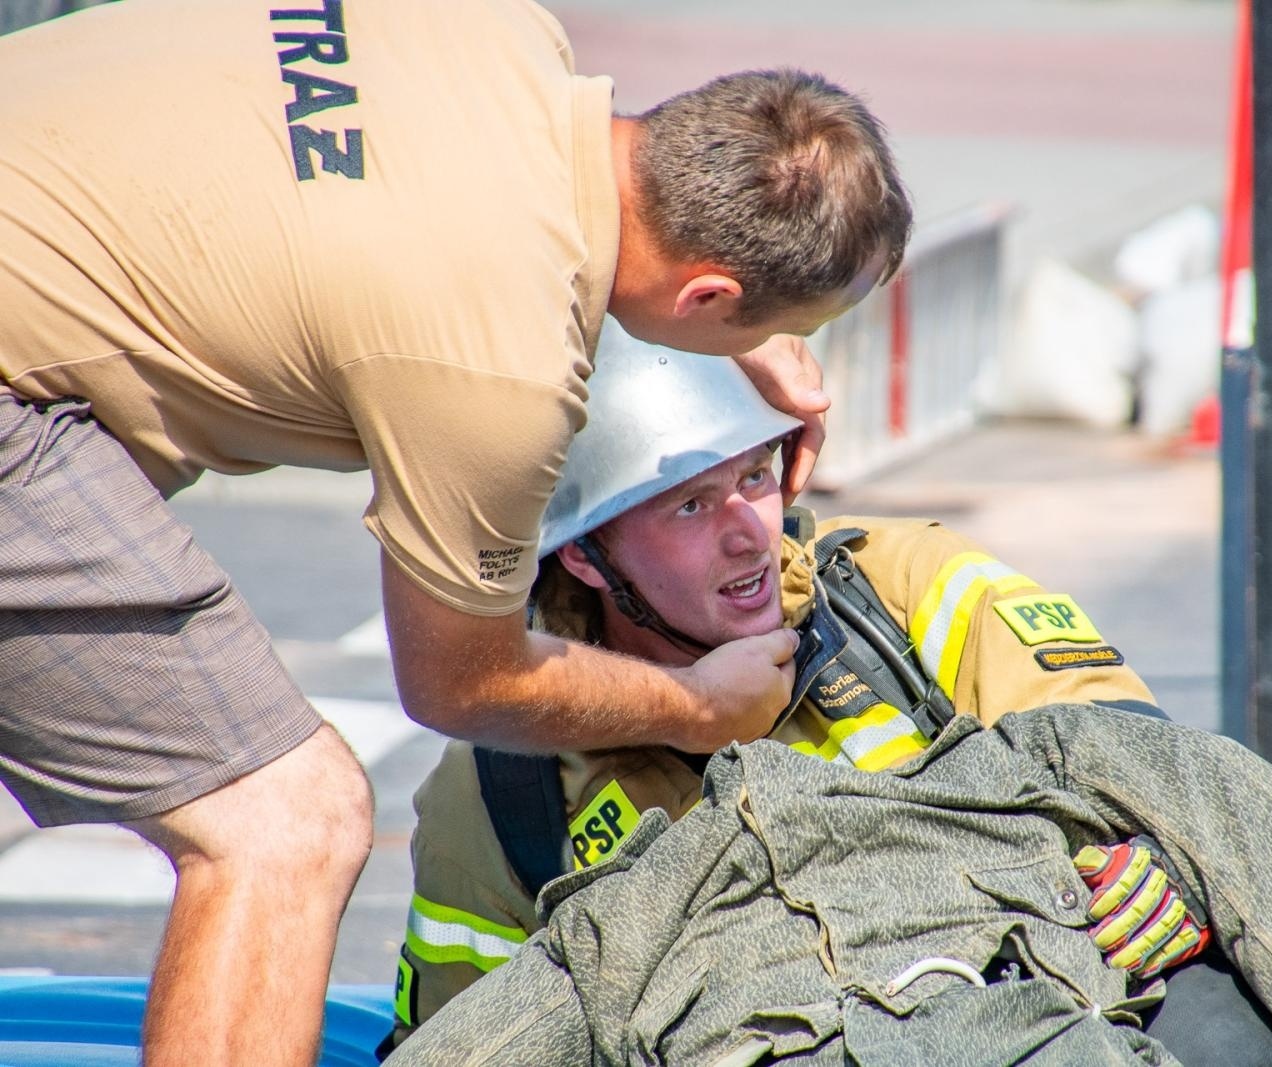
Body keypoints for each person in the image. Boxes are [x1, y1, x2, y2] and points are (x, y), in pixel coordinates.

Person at [0, 0, 911, 1062]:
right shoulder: (495, 378)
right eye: (773, 329)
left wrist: (733, 346)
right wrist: (699, 708)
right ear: (709, 293)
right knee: (285, 822)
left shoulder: (492, 27)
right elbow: (456, 681)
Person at [383, 334, 1272, 1065]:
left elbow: (1132, 759)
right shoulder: (502, 787)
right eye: (685, 506)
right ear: (584, 557)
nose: (746, 531)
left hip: (1071, 980)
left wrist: (1159, 871)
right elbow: (482, 1027)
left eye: (756, 476)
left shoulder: (899, 589)